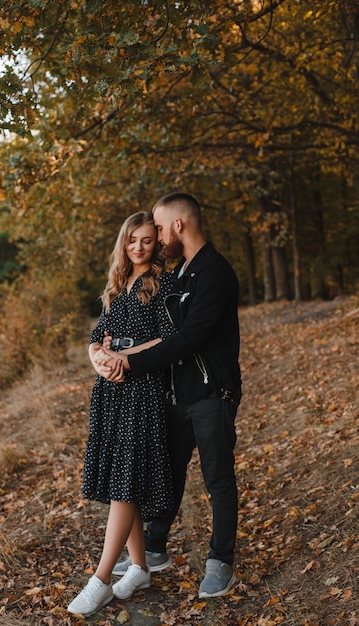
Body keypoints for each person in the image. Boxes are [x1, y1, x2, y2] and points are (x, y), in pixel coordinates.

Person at [99, 192, 241, 599]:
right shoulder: (180, 273)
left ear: (178, 225)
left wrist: (129, 363)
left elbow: (189, 337)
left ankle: (220, 561)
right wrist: (109, 349)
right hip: (177, 395)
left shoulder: (215, 272)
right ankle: (155, 549)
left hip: (212, 393)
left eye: (159, 229)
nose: (157, 237)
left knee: (218, 480)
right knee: (167, 473)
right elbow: (158, 329)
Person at [67, 211, 175, 617]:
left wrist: (122, 357)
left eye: (147, 240)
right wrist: (99, 359)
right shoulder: (116, 284)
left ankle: (101, 579)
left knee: (126, 482)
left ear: (157, 243)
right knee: (119, 477)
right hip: (110, 390)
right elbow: (97, 338)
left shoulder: (161, 284)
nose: (139, 247)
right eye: (133, 239)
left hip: (141, 388)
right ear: (124, 242)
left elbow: (168, 340)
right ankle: (142, 568)